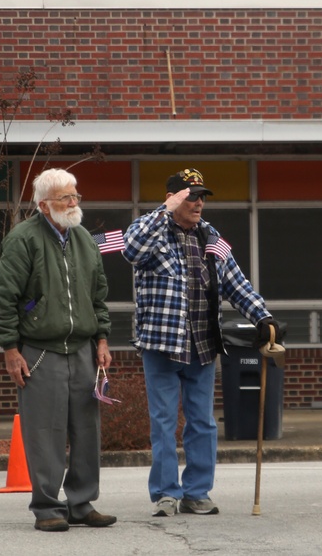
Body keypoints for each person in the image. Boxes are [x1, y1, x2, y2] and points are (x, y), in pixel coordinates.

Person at [123, 168, 275, 518]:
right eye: (192, 196)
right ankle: (165, 493)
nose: (200, 203)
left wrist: (262, 317)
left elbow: (236, 283)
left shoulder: (210, 236)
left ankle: (196, 492)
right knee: (163, 422)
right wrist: (164, 209)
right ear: (174, 198)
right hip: (161, 345)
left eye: (202, 196)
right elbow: (130, 250)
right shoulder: (152, 232)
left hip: (203, 345)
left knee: (203, 422)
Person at [0, 168, 115, 532]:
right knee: (44, 430)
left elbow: (99, 295)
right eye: (66, 198)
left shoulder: (85, 240)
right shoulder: (22, 239)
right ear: (44, 205)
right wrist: (11, 350)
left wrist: (102, 339)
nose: (74, 203)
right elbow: (3, 299)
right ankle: (47, 506)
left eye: (76, 195)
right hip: (39, 350)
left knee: (86, 429)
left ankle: (81, 502)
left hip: (82, 348)